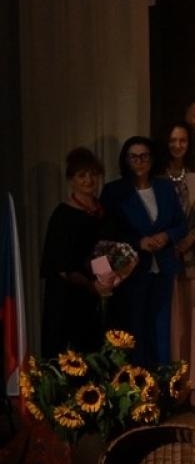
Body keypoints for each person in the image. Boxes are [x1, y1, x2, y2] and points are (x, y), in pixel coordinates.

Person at [101, 136, 187, 367]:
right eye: (134, 157)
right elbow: (109, 231)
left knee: (161, 330)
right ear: (126, 160)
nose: (139, 162)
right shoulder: (114, 191)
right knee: (136, 330)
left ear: (152, 159)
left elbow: (181, 224)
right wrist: (138, 242)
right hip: (132, 271)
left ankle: (161, 380)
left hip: (163, 269)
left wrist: (167, 236)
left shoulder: (165, 187)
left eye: (144, 156)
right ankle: (136, 380)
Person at [40, 148, 116, 355]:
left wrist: (109, 279)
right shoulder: (63, 215)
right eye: (82, 175)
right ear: (71, 180)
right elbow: (59, 266)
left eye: (93, 174)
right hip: (69, 299)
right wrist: (91, 286)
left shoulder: (104, 212)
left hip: (99, 296)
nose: (89, 180)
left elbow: (111, 251)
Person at [163, 123, 195, 408]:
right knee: (174, 327)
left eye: (182, 140)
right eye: (173, 140)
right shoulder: (157, 176)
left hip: (194, 258)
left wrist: (191, 239)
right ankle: (175, 388)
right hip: (166, 258)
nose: (177, 145)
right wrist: (171, 241)